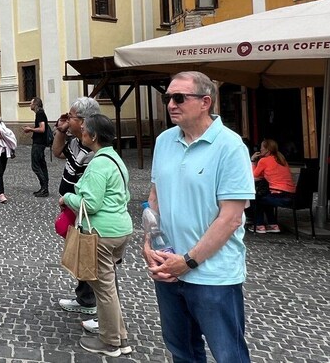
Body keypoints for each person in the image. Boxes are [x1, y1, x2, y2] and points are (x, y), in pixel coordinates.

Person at [145, 71, 254, 363]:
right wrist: (148, 243)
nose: (171, 104)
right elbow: (155, 197)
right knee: (182, 352)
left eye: (179, 98)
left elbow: (230, 219)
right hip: (169, 266)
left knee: (228, 354)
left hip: (212, 275)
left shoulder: (230, 146)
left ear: (205, 102)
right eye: (168, 97)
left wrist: (189, 261)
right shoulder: (164, 141)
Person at [60, 114, 132, 357]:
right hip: (120, 229)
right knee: (108, 287)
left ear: (94, 136)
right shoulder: (115, 159)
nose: (82, 133)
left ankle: (111, 342)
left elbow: (89, 203)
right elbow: (124, 195)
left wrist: (67, 198)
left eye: (85, 130)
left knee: (104, 290)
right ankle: (120, 338)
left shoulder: (99, 163)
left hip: (102, 233)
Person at [52, 97, 101, 324]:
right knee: (80, 253)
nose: (67, 118)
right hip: (73, 207)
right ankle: (84, 298)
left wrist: (70, 199)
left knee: (89, 255)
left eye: (70, 116)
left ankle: (93, 304)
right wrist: (62, 131)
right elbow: (57, 152)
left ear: (83, 121)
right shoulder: (76, 142)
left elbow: (91, 190)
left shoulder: (93, 149)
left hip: (84, 210)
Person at [250, 139, 296, 233]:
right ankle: (273, 224)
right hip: (291, 196)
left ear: (267, 149)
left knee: (257, 198)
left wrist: (253, 161)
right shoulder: (282, 159)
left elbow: (253, 175)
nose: (260, 149)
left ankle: (259, 225)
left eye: (262, 147)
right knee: (265, 197)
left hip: (279, 195)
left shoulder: (264, 161)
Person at [23, 97, 50, 197]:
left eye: (31, 103)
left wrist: (30, 129)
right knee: (42, 165)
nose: (30, 105)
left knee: (36, 166)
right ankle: (44, 187)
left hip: (38, 143)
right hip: (40, 143)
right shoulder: (41, 113)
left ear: (36, 104)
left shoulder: (39, 113)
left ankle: (44, 188)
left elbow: (42, 129)